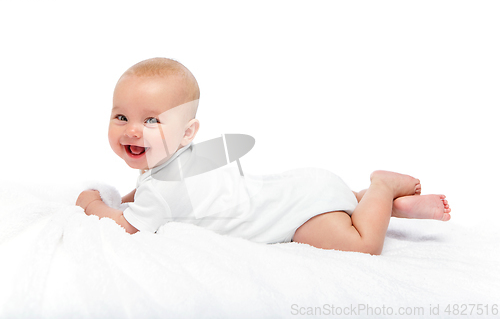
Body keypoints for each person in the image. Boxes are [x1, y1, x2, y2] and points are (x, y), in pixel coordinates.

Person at [76, 57, 451, 255]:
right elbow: (150, 192)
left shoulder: (161, 190)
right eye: (121, 116)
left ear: (187, 132)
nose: (132, 130)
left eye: (152, 120)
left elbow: (125, 226)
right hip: (303, 188)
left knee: (363, 245)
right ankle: (387, 205)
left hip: (299, 218)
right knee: (342, 203)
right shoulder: (187, 158)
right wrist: (129, 198)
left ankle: (381, 188)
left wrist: (93, 203)